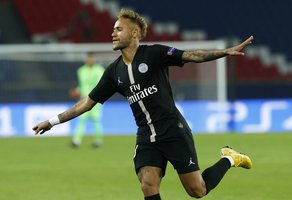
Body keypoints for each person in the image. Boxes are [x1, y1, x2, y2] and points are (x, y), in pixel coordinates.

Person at [33, 9, 253, 200]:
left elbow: (192, 55)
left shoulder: (154, 53)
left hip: (172, 130)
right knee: (148, 184)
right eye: (113, 29)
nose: (113, 33)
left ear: (134, 33)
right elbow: (86, 103)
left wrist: (224, 52)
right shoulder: (113, 72)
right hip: (147, 135)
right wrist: (52, 122)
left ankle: (229, 158)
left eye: (119, 29)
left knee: (197, 191)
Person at [70, 52, 105, 148]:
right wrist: (77, 90)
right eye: (88, 58)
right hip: (83, 99)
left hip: (96, 99)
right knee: (82, 119)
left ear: (94, 59)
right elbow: (82, 86)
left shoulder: (99, 70)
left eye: (91, 58)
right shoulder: (81, 71)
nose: (90, 60)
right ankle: (76, 140)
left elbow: (102, 85)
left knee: (96, 120)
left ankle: (98, 141)